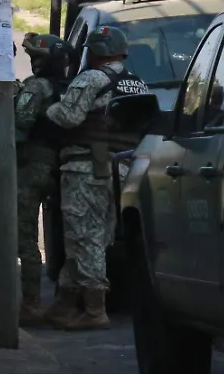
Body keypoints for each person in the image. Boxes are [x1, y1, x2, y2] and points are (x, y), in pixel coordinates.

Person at [42, 26, 149, 330]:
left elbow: (68, 117)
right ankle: (63, 304)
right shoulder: (136, 83)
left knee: (85, 238)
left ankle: (94, 311)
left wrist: (45, 109)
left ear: (96, 52)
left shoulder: (91, 78)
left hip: (87, 169)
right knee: (93, 239)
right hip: (123, 170)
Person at [14, 33, 73, 326]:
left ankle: (32, 302)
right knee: (71, 238)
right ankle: (68, 302)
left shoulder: (36, 87)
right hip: (64, 167)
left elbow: (20, 122)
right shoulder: (71, 88)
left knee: (24, 236)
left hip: (32, 167)